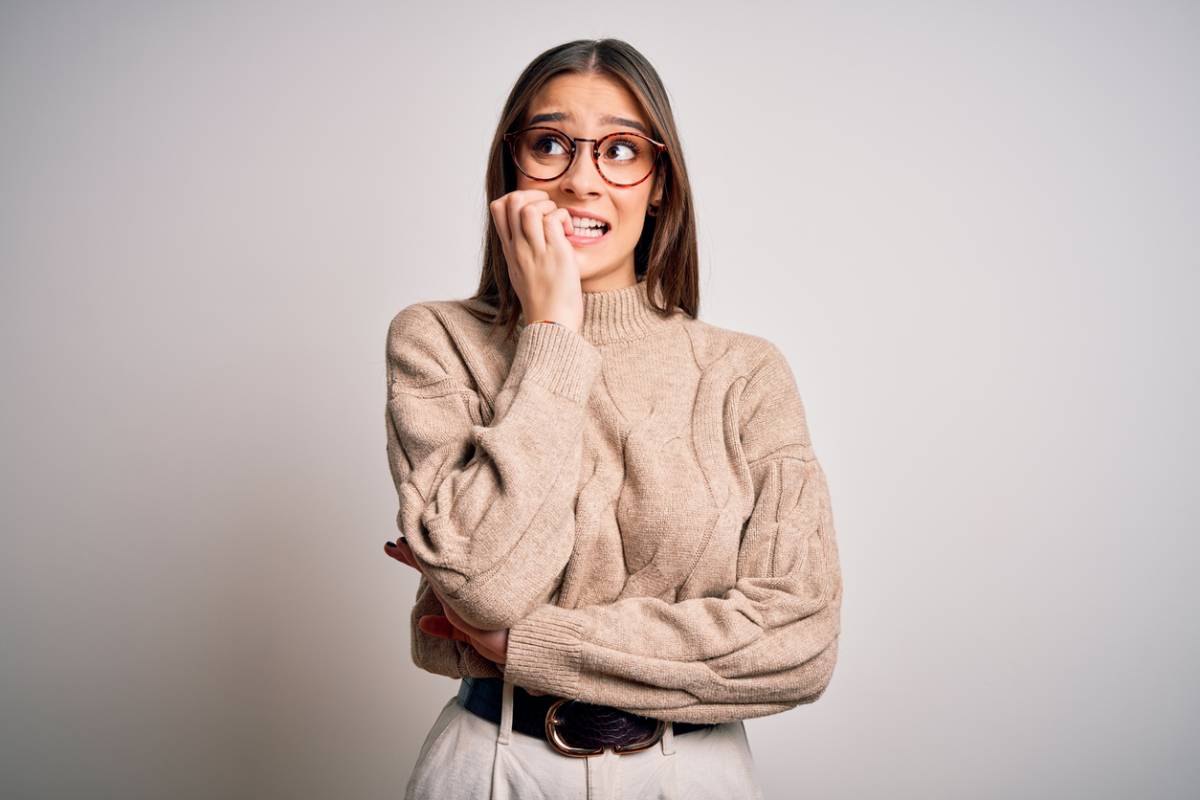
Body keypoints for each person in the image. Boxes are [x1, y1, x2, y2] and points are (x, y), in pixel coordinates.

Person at [382, 37, 843, 799]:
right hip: (494, 765)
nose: (580, 181)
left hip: (689, 776)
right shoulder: (436, 342)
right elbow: (485, 587)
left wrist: (526, 644)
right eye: (550, 144)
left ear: (660, 183)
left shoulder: (746, 374)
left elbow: (799, 644)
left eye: (622, 150)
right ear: (511, 169)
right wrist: (553, 333)